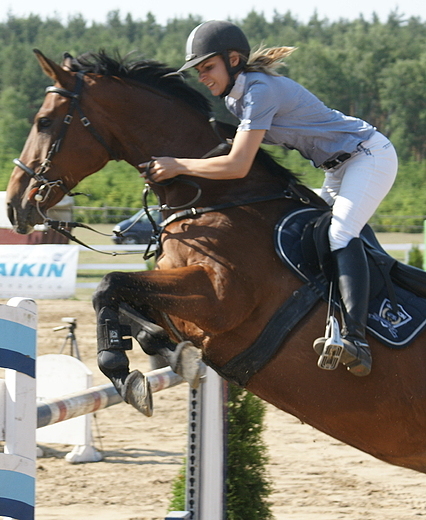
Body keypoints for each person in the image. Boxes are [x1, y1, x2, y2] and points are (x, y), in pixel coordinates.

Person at [139, 20, 398, 377]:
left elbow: (238, 164)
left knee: (338, 235)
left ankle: (357, 339)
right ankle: (335, 319)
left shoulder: (260, 91)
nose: (203, 77)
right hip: (337, 168)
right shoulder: (236, 98)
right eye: (199, 71)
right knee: (314, 236)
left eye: (207, 67)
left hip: (368, 156)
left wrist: (178, 165)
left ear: (233, 60)